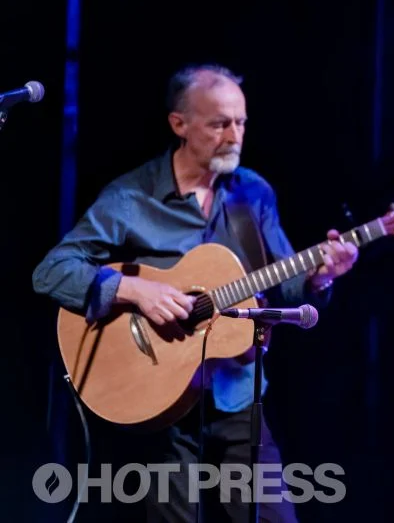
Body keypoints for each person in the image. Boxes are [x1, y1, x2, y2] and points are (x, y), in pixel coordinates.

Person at [32, 64, 359, 522]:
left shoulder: (253, 194)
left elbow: (285, 282)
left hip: (237, 393)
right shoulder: (132, 196)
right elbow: (51, 271)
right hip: (159, 399)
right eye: (219, 123)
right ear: (179, 124)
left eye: (241, 122)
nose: (234, 135)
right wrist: (133, 290)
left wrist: (323, 274)